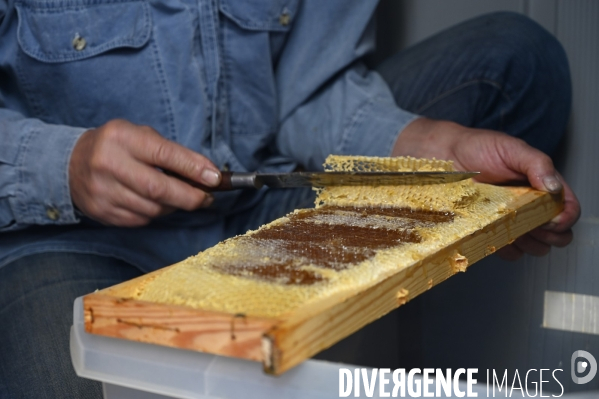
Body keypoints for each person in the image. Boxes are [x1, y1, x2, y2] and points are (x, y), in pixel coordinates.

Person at [0, 0, 580, 396]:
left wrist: (430, 149)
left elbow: (312, 90)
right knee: (65, 376)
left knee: (519, 60)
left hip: (260, 197)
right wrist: (63, 166)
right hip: (59, 233)